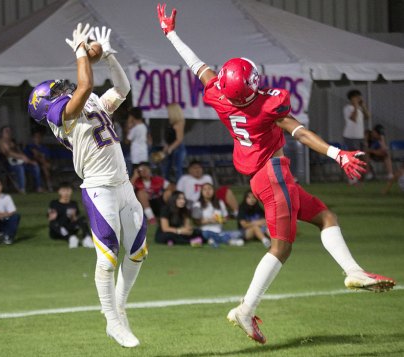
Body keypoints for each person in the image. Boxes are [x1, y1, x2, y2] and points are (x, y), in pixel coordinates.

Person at [157, 4, 395, 344]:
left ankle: (354, 271)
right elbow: (299, 132)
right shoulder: (267, 104)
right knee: (281, 248)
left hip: (261, 176)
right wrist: (337, 153)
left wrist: (170, 33)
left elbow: (197, 66)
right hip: (273, 174)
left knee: (326, 216)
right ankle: (245, 310)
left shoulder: (220, 96)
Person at [27, 24, 147, 348]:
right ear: (48, 103)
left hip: (123, 184)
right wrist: (81, 50)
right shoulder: (61, 116)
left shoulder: (88, 103)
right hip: (99, 188)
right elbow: (84, 84)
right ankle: (111, 321)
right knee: (107, 259)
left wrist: (108, 57)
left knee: (137, 252)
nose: (60, 89)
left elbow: (121, 89)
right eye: (54, 90)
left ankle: (120, 307)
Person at [0, 125, 43, 193]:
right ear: (2, 133)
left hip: (21, 161)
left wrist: (27, 159)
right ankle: (22, 189)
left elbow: (20, 152)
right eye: (6, 131)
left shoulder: (13, 141)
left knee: (35, 166)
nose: (8, 132)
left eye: (9, 131)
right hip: (10, 164)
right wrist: (22, 157)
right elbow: (8, 153)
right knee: (20, 168)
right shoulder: (1, 142)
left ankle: (39, 187)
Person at [48, 182, 93, 248]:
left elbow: (75, 219)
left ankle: (87, 238)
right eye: (63, 191)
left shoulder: (73, 204)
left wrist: (74, 217)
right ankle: (70, 238)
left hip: (69, 227)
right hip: (58, 230)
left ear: (71, 191)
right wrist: (52, 216)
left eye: (68, 190)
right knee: (53, 223)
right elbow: (51, 218)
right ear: (59, 192)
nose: (66, 193)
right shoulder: (54, 203)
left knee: (82, 219)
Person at [162, 103, 186, 181]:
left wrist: (171, 148)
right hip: (170, 147)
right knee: (166, 168)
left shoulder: (179, 123)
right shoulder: (170, 123)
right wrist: (166, 146)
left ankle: (179, 187)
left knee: (177, 169)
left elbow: (179, 139)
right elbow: (168, 138)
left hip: (177, 148)